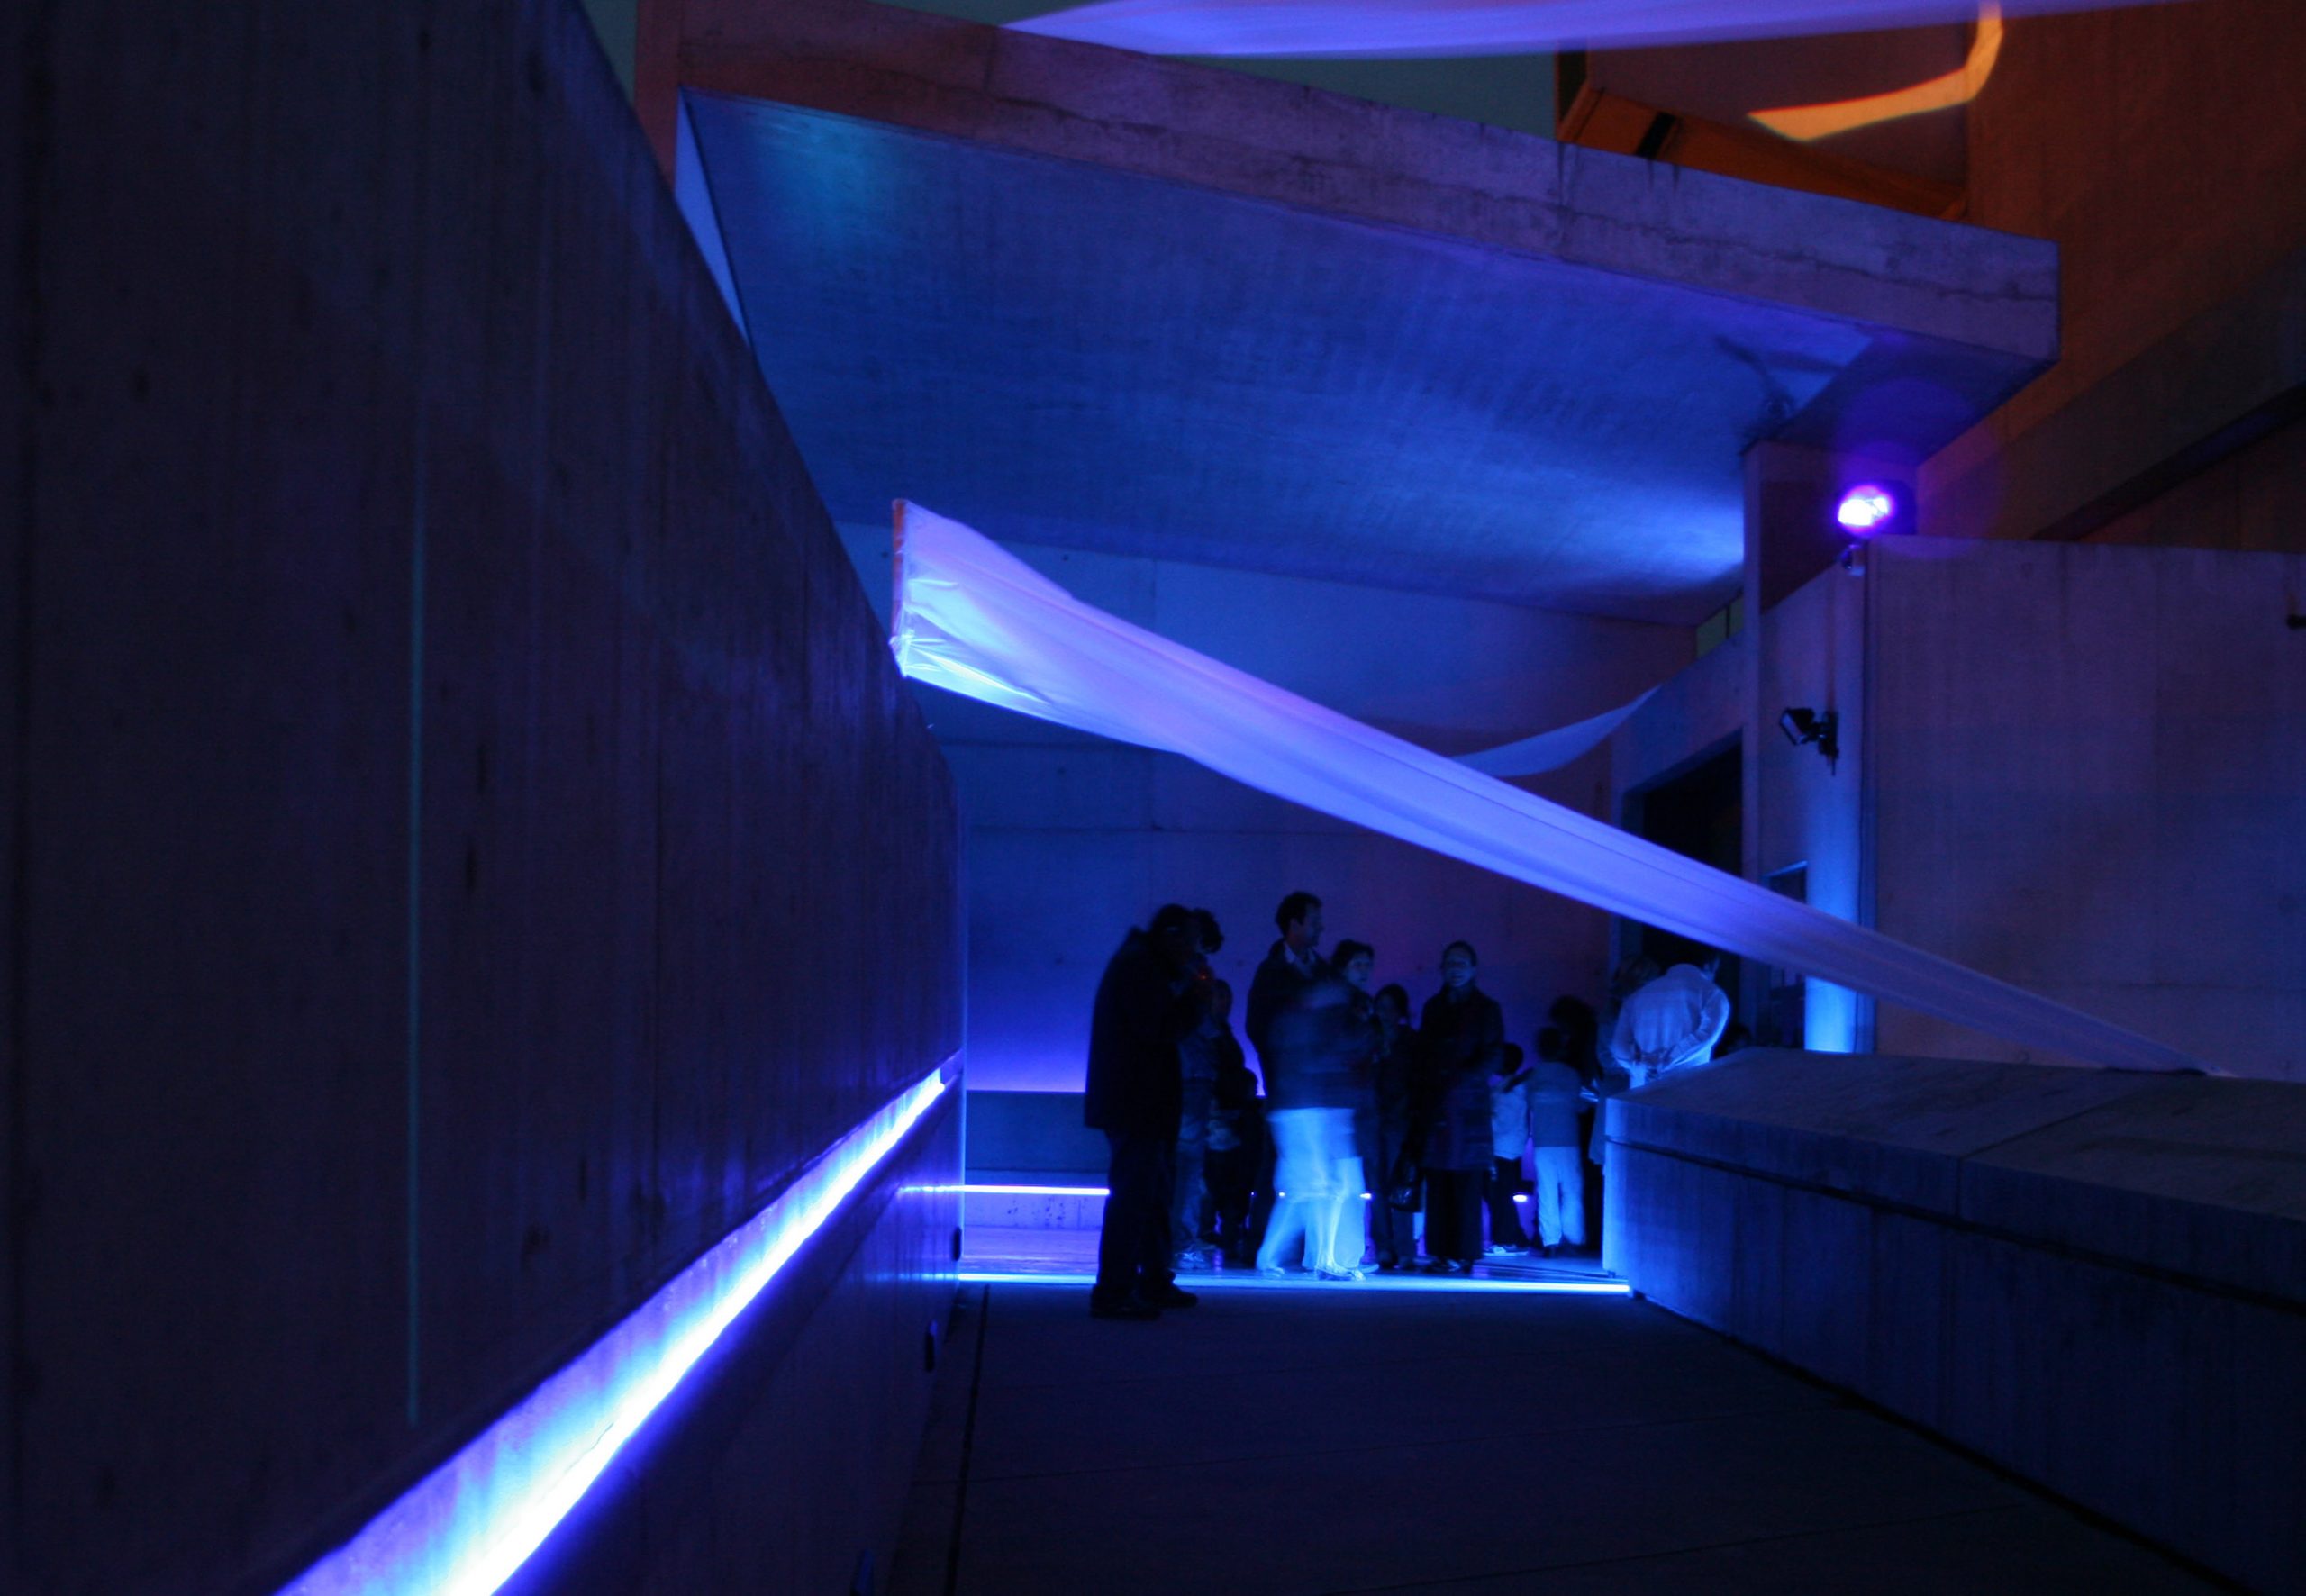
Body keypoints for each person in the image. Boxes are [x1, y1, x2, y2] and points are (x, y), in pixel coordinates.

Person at [1083, 903, 1208, 1319]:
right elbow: (1159, 1028)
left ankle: (1149, 1281)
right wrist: (1196, 996)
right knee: (1136, 1197)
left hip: (1136, 1103)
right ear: (1171, 937)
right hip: (1136, 1104)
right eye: (1190, 944)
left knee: (1150, 1195)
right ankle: (1116, 1290)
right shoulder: (1140, 970)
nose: (1194, 955)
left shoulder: (1139, 963)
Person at [1254, 969, 1368, 1283]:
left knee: (1306, 1189)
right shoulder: (1309, 1022)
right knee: (1323, 1188)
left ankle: (1275, 1257)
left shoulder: (1295, 1021)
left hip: (1302, 1110)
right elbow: (1321, 1064)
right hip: (1307, 1110)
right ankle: (1320, 1261)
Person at [1416, 940, 1503, 1274]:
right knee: (1438, 1181)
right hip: (1438, 1104)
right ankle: (1440, 1251)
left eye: (1462, 962)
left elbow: (1494, 1052)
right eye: (1450, 962)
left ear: (1474, 968)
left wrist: (1466, 1079)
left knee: (1466, 1181)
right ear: (1441, 967)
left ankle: (1464, 1251)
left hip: (1468, 1106)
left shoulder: (1487, 1008)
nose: (1455, 968)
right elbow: (1424, 1051)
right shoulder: (1433, 1007)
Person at [1245, 891, 1325, 1251]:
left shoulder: (1319, 968)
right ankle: (1261, 1239)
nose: (1320, 927)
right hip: (1286, 1083)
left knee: (1302, 1164)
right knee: (1274, 1162)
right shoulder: (1272, 971)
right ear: (1294, 924)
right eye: (1314, 920)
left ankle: (1304, 1244)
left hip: (1316, 1085)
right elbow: (1256, 1026)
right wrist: (1281, 1063)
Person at [1171, 976, 1237, 1273]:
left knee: (1184, 1169)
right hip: (1194, 1085)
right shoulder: (1202, 1020)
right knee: (1189, 1170)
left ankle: (1177, 1242)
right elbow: (1215, 1048)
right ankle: (1182, 1243)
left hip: (1184, 1086)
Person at [1329, 939, 1381, 1267]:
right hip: (1341, 1099)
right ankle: (1343, 1255)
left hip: (1351, 1100)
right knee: (1346, 1182)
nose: (1364, 970)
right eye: (1357, 964)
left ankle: (1339, 1253)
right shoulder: (1345, 1005)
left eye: (1367, 964)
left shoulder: (1357, 1003)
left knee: (1346, 1181)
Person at [1608, 954, 1732, 1087]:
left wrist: (1638, 1066)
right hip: (1688, 1086)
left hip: (1643, 1085)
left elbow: (1618, 1045)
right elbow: (1705, 1036)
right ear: (1709, 966)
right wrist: (1665, 1060)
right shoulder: (1712, 993)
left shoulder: (1637, 996)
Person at [1524, 1026, 1588, 1256]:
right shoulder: (1571, 1074)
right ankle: (1573, 1239)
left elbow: (1530, 1103)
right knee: (1572, 1191)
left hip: (1542, 1140)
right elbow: (1581, 1104)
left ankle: (1550, 1241)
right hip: (1568, 1138)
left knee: (1546, 1191)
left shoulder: (1534, 1075)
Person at [1369, 983, 1419, 1270]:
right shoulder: (1370, 1038)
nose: (1385, 1013)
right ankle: (1384, 1247)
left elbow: (1416, 1079)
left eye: (1390, 1007)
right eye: (1381, 1006)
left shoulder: (1410, 1041)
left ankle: (1404, 1248)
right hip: (1374, 1118)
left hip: (1400, 1119)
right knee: (1377, 1186)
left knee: (1400, 1185)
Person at [1203, 1028, 1262, 1265]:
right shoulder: (1249, 1112)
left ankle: (1211, 1234)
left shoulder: (1213, 1099)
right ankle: (1230, 1237)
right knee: (1234, 1198)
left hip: (1215, 1148)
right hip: (1238, 1155)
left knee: (1215, 1194)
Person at [1485, 1042, 1532, 1255]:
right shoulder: (1510, 1087)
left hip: (1502, 1149)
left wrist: (1481, 1121)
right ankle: (1514, 1236)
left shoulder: (1511, 1091)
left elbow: (1502, 1123)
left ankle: (1507, 1239)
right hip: (1507, 1148)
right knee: (1500, 1194)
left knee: (1499, 1194)